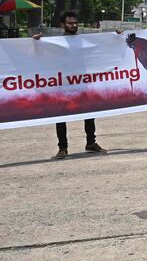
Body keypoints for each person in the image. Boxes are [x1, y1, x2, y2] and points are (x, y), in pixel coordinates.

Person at [33, 11, 107, 159]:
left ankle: (91, 142)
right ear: (63, 25)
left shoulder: (83, 40)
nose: (73, 25)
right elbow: (40, 56)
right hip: (63, 84)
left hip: (82, 82)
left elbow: (105, 45)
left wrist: (118, 37)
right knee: (61, 115)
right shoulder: (56, 43)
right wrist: (36, 44)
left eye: (75, 22)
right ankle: (63, 147)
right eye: (70, 23)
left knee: (89, 113)